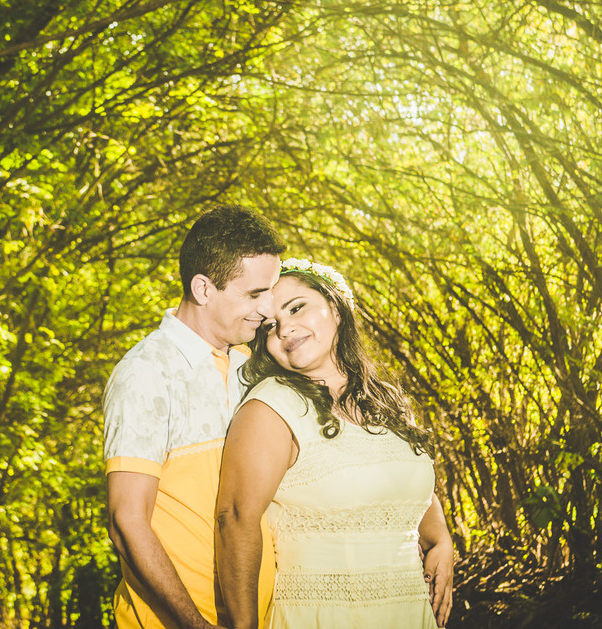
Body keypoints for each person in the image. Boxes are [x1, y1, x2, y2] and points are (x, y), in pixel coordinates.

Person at [215, 258, 455, 629]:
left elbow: (400, 479)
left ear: (336, 308)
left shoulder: (381, 400)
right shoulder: (272, 407)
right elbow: (234, 519)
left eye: (297, 308)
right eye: (271, 326)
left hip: (410, 614)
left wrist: (441, 540)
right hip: (323, 616)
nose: (286, 329)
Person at [102, 205, 286, 628]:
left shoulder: (250, 367)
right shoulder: (146, 372)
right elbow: (126, 522)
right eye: (255, 294)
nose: (269, 309)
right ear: (203, 288)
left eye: (271, 292)